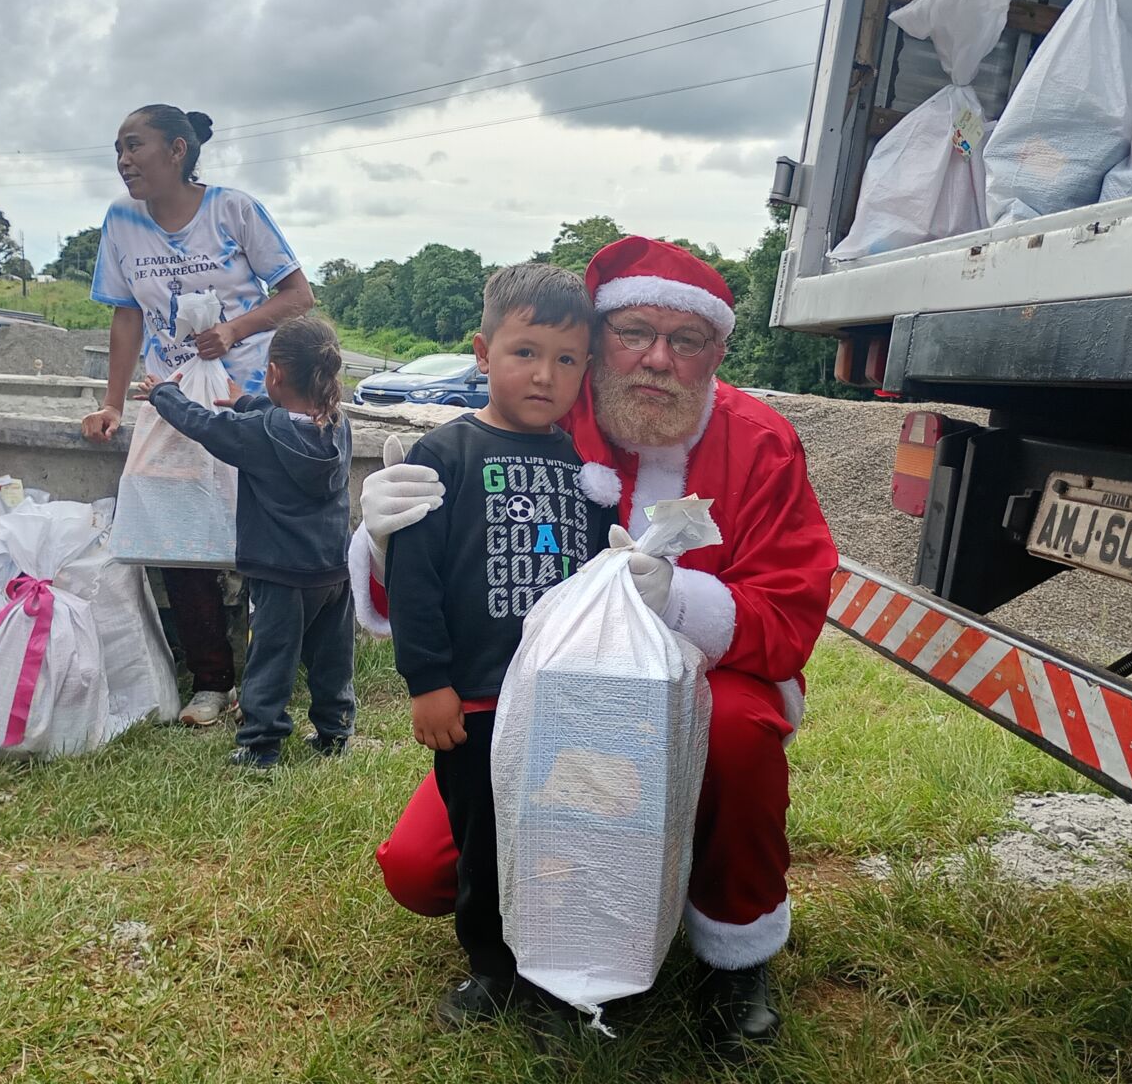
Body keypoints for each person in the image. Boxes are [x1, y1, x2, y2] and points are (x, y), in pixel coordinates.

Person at [355, 236, 837, 1057]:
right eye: (634, 332)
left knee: (734, 735)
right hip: (540, 694)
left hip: (703, 683)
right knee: (420, 868)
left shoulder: (760, 441)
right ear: (599, 339)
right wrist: (378, 537)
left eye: (686, 340)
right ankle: (548, 927)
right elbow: (456, 558)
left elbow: (792, 606)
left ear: (718, 352)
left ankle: (733, 953)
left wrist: (677, 601)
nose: (657, 359)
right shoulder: (554, 408)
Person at [386, 263, 616, 1029]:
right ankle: (492, 968)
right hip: (477, 702)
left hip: (563, 702)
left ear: (586, 369)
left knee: (562, 837)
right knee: (483, 845)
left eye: (566, 359)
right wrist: (428, 682)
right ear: (483, 353)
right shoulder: (442, 455)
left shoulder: (585, 471)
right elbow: (413, 578)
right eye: (525, 352)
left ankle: (558, 968)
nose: (544, 375)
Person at [81, 104, 315, 727]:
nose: (124, 161)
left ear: (177, 150)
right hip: (175, 400)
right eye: (118, 149)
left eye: (135, 146)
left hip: (251, 397)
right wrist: (112, 402)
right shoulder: (121, 220)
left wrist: (233, 329)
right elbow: (127, 315)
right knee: (175, 533)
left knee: (261, 535)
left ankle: (266, 679)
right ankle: (211, 680)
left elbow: (298, 295)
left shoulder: (233, 210)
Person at [138, 314, 354, 769]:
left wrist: (163, 394)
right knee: (331, 659)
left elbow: (201, 424)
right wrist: (247, 401)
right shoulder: (338, 425)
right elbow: (286, 420)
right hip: (333, 571)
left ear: (274, 373)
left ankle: (261, 745)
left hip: (280, 574)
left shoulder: (257, 435)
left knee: (270, 659)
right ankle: (335, 732)